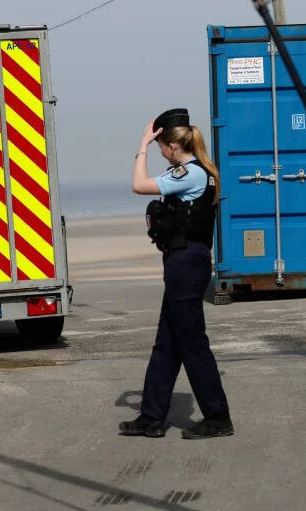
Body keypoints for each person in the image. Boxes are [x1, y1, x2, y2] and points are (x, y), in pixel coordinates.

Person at [118, 108, 233, 440]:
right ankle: (152, 417)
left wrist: (141, 147)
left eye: (159, 148)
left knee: (191, 342)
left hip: (186, 263)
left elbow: (138, 185)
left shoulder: (190, 173)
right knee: (167, 342)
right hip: (184, 262)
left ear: (171, 146)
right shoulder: (194, 171)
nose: (159, 153)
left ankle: (218, 416)